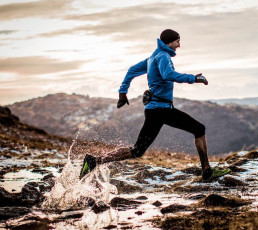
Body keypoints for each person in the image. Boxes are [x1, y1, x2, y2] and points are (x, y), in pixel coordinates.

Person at [80, 29, 230, 181]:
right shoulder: (163, 56)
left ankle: (94, 161)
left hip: (156, 110)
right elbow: (168, 75)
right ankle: (207, 171)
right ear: (170, 42)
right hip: (161, 110)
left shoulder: (154, 56)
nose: (179, 45)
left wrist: (122, 92)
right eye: (178, 41)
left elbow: (132, 70)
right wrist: (193, 78)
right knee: (199, 129)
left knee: (138, 151)